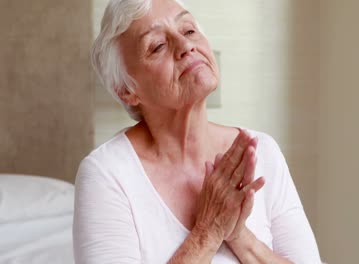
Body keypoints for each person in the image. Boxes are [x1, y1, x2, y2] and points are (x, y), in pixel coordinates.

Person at [73, 0, 322, 263]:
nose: (185, 46)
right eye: (157, 45)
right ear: (127, 90)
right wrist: (208, 231)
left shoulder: (262, 151)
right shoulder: (106, 175)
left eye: (189, 30)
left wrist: (238, 234)